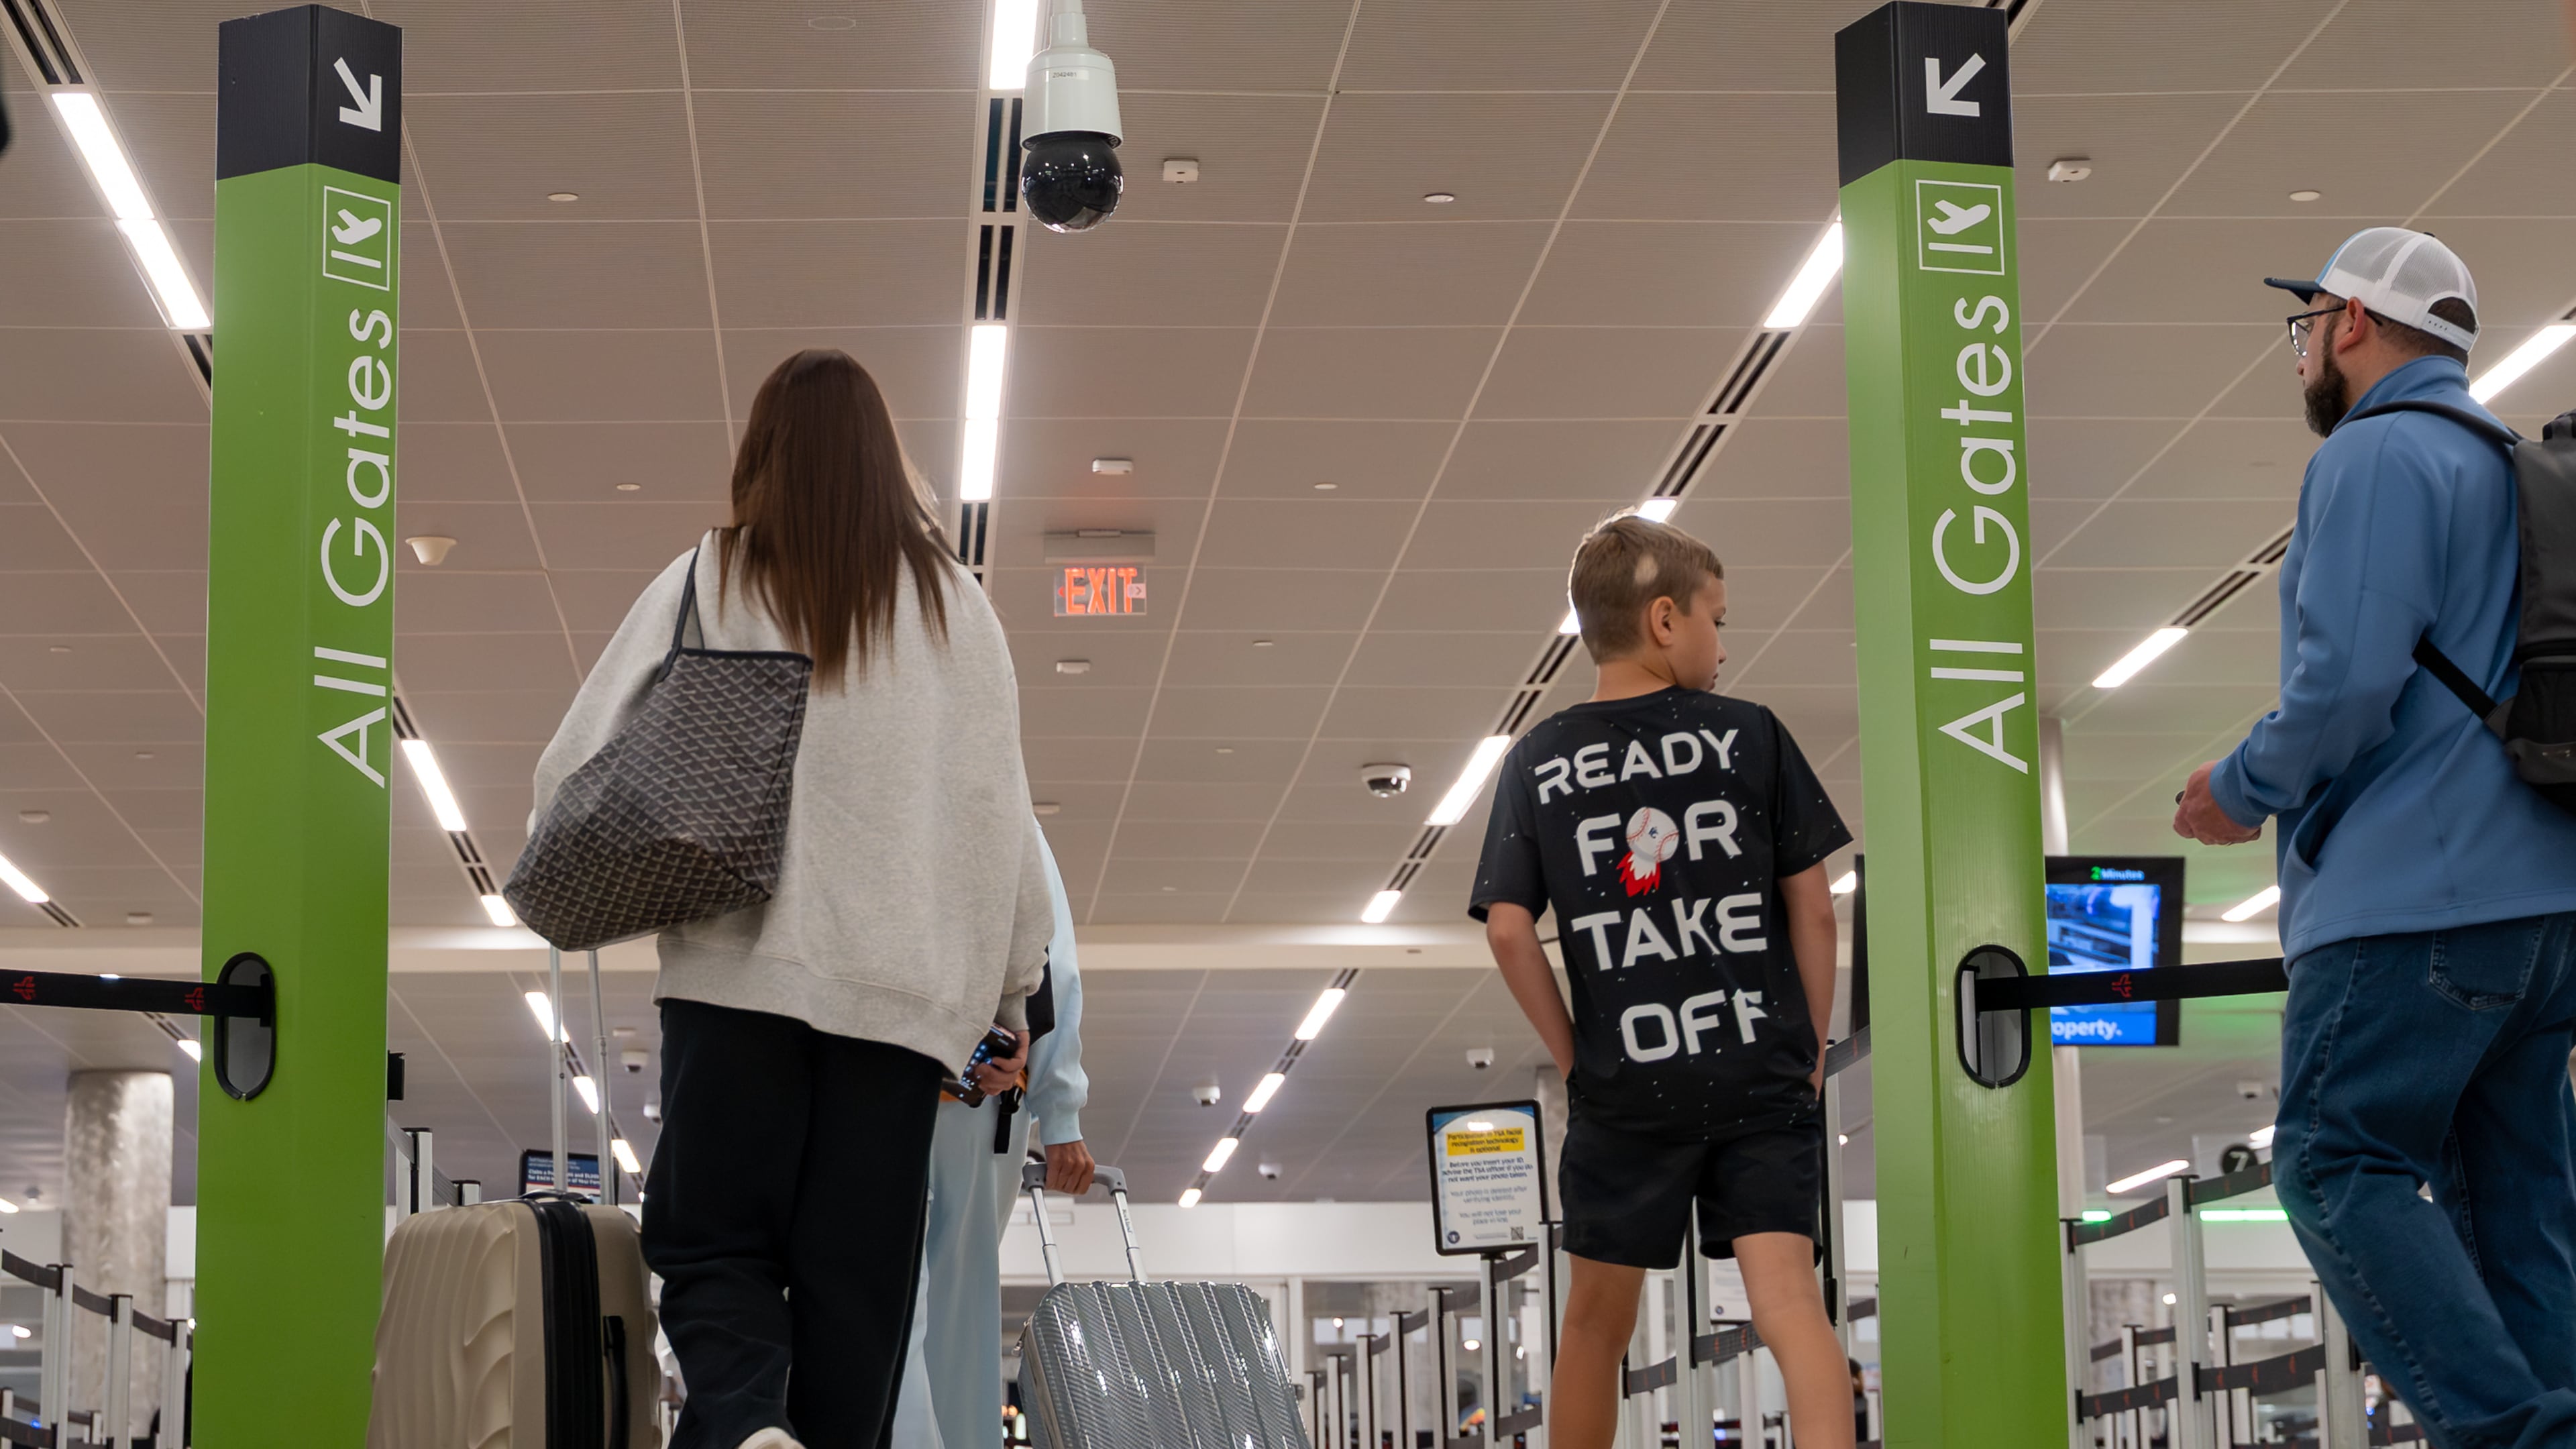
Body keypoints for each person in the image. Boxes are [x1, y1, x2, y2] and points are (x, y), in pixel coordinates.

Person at [532, 349, 1055, 1449]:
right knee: (855, 1292)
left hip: (738, 985)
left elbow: (571, 768)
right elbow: (1005, 829)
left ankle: (745, 1424)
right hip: (901, 1019)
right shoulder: (962, 615)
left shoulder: (712, 578)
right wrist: (1009, 1000)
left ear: (761, 456)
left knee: (716, 1245)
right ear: (887, 458)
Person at [2174, 228, 2576, 1446]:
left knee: (2332, 1163)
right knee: (2517, 1204)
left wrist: (2237, 789)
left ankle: (2512, 1433)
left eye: (2306, 326)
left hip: (2414, 901)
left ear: (2350, 322)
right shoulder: (2518, 468)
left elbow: (2346, 682)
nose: (2302, 350)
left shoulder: (2376, 455)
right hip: (2545, 903)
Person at [1471, 515, 1852, 1449]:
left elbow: (1512, 931)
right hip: (1758, 1070)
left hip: (1626, 1084)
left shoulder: (1536, 760)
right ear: (1667, 619)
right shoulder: (1753, 736)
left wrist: (1576, 1057)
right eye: (1722, 620)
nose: (1726, 646)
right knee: (1790, 1308)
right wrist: (1805, 1052)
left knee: (1594, 1329)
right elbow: (1815, 909)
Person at [893, 826, 1093, 1449]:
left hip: (919, 1089)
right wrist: (1060, 1115)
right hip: (971, 1098)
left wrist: (1061, 1111)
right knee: (952, 1311)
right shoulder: (1001, 804)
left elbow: (1048, 959)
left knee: (889, 1299)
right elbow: (1048, 956)